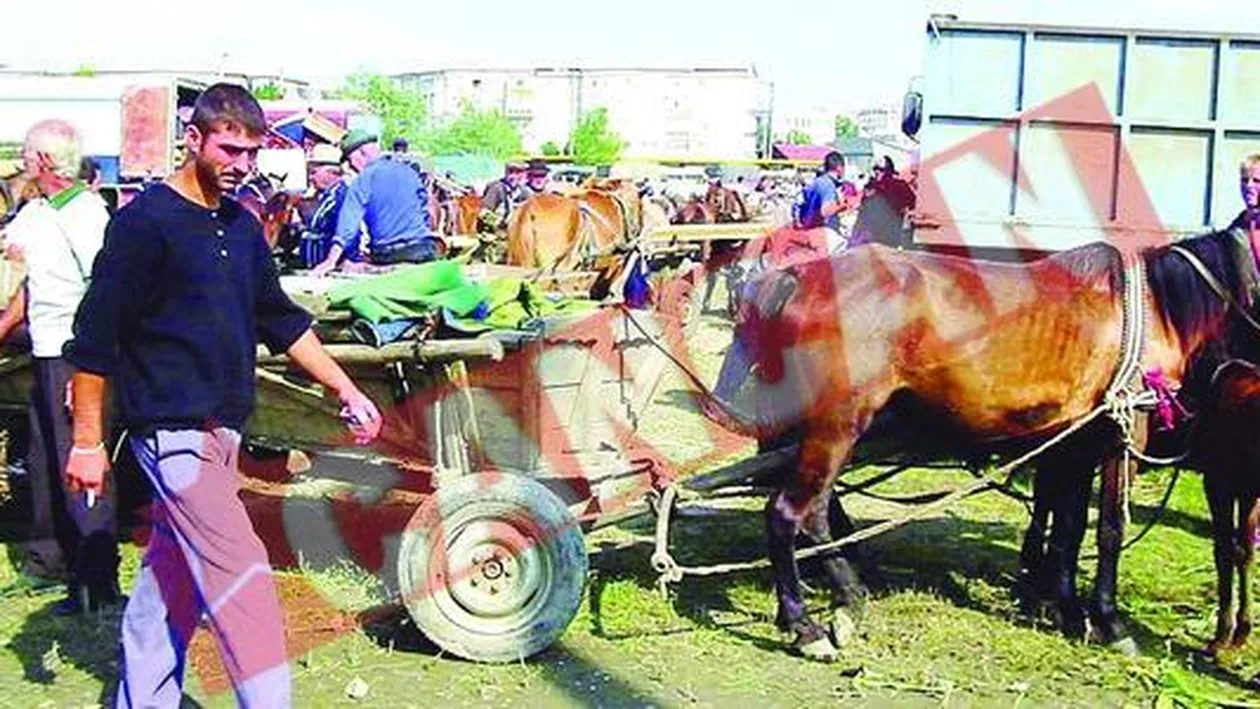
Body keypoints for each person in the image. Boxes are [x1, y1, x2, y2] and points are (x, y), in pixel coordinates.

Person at [61, 83, 383, 706]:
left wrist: (345, 387)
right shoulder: (143, 224)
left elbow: (281, 320)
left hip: (225, 431)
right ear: (194, 139)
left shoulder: (241, 225)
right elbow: (95, 339)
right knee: (246, 578)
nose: (241, 165)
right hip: (172, 434)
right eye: (229, 150)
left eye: (251, 153)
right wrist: (86, 443)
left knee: (170, 579)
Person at [0, 120, 119, 610]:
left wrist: (88, 374)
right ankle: (48, 561)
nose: (22, 160)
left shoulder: (87, 215)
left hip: (74, 355)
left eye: (29, 153)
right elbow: (21, 278)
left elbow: (104, 291)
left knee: (80, 462)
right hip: (45, 349)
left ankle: (96, 578)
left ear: (46, 160)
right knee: (43, 457)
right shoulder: (38, 212)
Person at [311, 130, 442, 275]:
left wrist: (330, 261)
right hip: (424, 249)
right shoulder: (409, 172)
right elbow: (428, 210)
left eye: (349, 160)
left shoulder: (363, 180)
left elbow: (348, 227)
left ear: (360, 153)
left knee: (351, 267)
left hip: (391, 254)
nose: (351, 166)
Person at [300, 143, 361, 267]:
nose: (310, 178)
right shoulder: (326, 196)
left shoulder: (341, 198)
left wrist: (336, 261)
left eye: (313, 172)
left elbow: (347, 233)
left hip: (334, 268)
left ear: (331, 172)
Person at [796, 151, 859, 252]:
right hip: (824, 235)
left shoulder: (815, 183)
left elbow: (798, 206)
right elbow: (825, 211)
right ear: (839, 168)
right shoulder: (828, 184)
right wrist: (845, 204)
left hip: (810, 232)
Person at [851, 155, 917, 248]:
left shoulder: (898, 186)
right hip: (883, 237)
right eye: (875, 169)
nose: (877, 172)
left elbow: (912, 205)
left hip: (884, 237)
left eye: (880, 170)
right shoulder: (872, 188)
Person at [481, 162, 526, 229]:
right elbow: (484, 212)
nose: (513, 176)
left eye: (518, 173)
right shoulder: (496, 188)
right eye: (511, 172)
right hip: (496, 229)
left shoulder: (524, 191)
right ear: (506, 173)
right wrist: (498, 223)